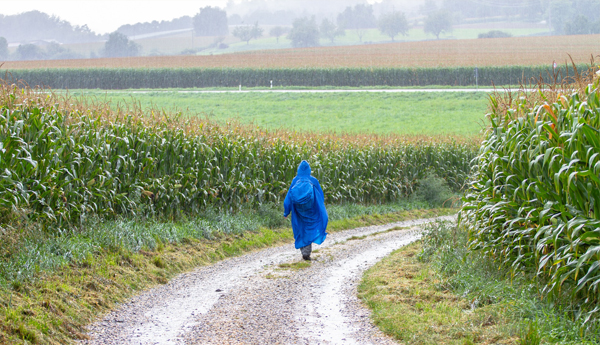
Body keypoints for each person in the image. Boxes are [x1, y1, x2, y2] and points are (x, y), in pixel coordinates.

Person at [283, 160, 328, 260]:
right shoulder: (313, 180)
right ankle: (306, 253)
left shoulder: (295, 180)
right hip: (311, 210)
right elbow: (320, 196)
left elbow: (288, 198)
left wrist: (286, 211)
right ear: (309, 170)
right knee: (310, 227)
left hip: (298, 210)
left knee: (300, 228)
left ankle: (304, 251)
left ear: (299, 170)